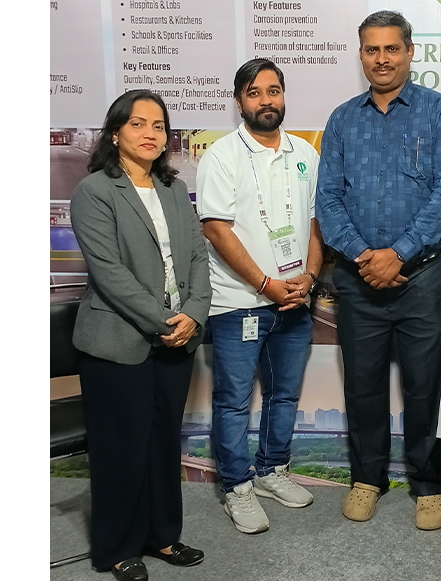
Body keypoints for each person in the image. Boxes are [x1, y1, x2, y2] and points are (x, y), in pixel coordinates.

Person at [316, 10, 441, 530]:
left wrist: (398, 254)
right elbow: (328, 199)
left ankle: (427, 485)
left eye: (391, 48)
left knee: (425, 386)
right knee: (363, 386)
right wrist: (366, 257)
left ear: (409, 51)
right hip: (358, 280)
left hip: (421, 277)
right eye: (371, 49)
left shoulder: (440, 112)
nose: (382, 59)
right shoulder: (342, 119)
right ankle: (367, 479)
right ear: (361, 54)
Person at [70, 89, 212, 581]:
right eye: (138, 124)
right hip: (118, 340)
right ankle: (116, 547)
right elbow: (109, 273)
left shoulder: (174, 188)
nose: (150, 133)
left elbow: (197, 256)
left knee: (162, 442)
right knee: (120, 449)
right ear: (115, 133)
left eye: (158, 125)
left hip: (178, 338)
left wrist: (194, 313)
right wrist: (165, 321)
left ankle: (162, 536)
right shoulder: (94, 191)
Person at [195, 58, 323, 534]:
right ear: (239, 102)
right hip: (239, 304)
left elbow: (316, 223)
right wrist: (266, 285)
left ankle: (272, 470)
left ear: (284, 96)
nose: (266, 100)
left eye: (273, 90)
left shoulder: (305, 154)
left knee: (284, 394)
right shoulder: (222, 156)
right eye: (254, 92)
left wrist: (310, 277)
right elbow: (216, 229)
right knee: (233, 401)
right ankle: (237, 486)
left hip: (295, 300)